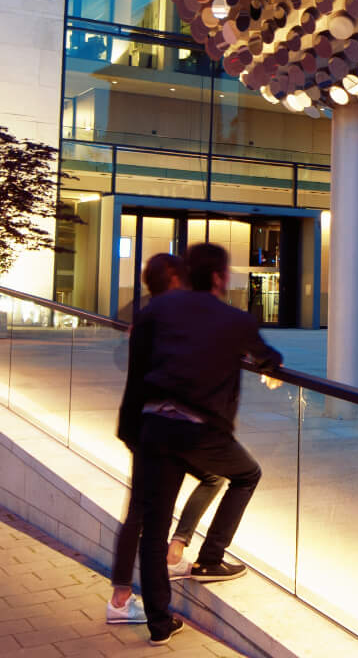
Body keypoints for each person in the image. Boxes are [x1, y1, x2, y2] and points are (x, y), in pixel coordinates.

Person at [122, 241, 283, 645]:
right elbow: (268, 356)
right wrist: (270, 369)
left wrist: (132, 431)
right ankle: (210, 558)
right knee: (246, 474)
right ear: (217, 276)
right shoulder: (235, 319)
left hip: (154, 426)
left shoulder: (157, 310)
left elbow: (137, 369)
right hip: (201, 432)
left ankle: (159, 623)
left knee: (153, 528)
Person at [106, 252, 228, 625]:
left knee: (143, 509)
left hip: (140, 423)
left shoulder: (149, 315)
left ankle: (132, 589)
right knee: (149, 510)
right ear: (173, 280)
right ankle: (131, 594)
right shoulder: (163, 318)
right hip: (155, 425)